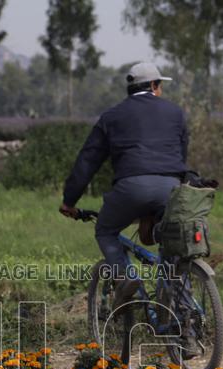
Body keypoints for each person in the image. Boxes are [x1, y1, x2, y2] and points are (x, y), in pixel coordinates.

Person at [58, 62, 189, 305]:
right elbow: (181, 156)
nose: (160, 90)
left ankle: (125, 277)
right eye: (160, 85)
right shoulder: (175, 113)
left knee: (106, 231)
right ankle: (183, 310)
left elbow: (87, 161)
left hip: (130, 189)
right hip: (171, 188)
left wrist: (69, 201)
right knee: (174, 243)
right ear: (153, 85)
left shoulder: (111, 117)